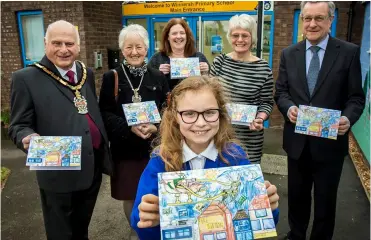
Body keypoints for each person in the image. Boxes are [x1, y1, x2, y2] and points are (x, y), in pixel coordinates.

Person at [130, 76, 280, 239]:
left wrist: (269, 208)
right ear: (175, 117)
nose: (200, 123)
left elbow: (256, 223)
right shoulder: (161, 161)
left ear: (221, 114)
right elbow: (140, 225)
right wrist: (149, 219)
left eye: (209, 112)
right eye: (189, 113)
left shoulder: (235, 157)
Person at [8, 20, 112, 239]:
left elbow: (85, 109)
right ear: (46, 44)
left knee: (82, 228)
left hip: (90, 166)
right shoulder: (26, 79)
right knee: (61, 232)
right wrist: (26, 136)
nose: (64, 49)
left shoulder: (86, 73)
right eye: (57, 43)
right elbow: (18, 125)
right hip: (58, 171)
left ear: (78, 46)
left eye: (69, 43)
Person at [274, 2, 365, 240]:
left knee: (326, 201)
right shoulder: (288, 53)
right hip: (297, 144)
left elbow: (356, 97)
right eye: (307, 18)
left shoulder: (348, 52)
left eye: (319, 18)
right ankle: (296, 234)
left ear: (330, 19)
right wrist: (289, 108)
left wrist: (347, 118)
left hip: (330, 145)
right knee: (296, 197)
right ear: (302, 20)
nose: (312, 24)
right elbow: (281, 92)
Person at [99, 24, 169, 238]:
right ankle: (136, 230)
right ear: (122, 50)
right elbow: (105, 112)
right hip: (125, 149)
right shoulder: (112, 77)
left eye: (139, 46)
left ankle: (157, 229)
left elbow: (168, 108)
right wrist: (129, 128)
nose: (134, 52)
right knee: (131, 195)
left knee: (157, 192)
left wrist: (156, 127)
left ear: (146, 49)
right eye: (129, 47)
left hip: (154, 148)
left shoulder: (157, 76)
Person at [210, 14, 274, 163]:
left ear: (252, 38)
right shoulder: (220, 62)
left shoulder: (263, 68)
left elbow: (267, 102)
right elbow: (209, 95)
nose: (240, 40)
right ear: (229, 37)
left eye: (245, 35)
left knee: (246, 179)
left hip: (249, 139)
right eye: (235, 35)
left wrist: (260, 118)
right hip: (220, 134)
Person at [148, 18, 210, 91]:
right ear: (168, 37)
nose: (178, 36)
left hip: (194, 101)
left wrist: (206, 72)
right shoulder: (157, 59)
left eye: (182, 33)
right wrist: (157, 74)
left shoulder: (199, 57)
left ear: (187, 36)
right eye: (174, 33)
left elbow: (209, 85)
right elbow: (147, 86)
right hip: (166, 101)